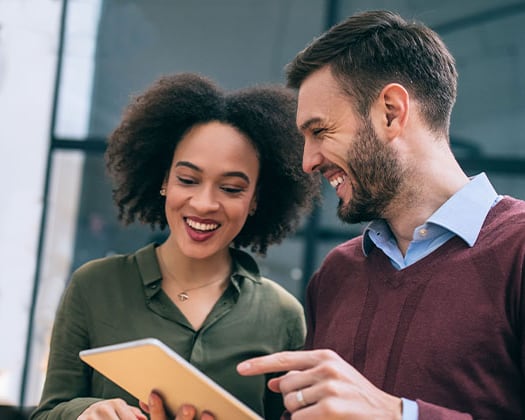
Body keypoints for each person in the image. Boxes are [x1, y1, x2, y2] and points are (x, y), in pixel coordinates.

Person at [234, 9, 525, 420]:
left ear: (391, 111)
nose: (307, 162)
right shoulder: (336, 274)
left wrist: (397, 414)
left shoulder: (519, 250)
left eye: (320, 131)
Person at [30, 72, 320, 420]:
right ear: (164, 180)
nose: (203, 204)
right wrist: (86, 413)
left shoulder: (282, 315)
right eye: (187, 180)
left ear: (256, 199)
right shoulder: (94, 286)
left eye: (231, 188)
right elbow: (48, 411)